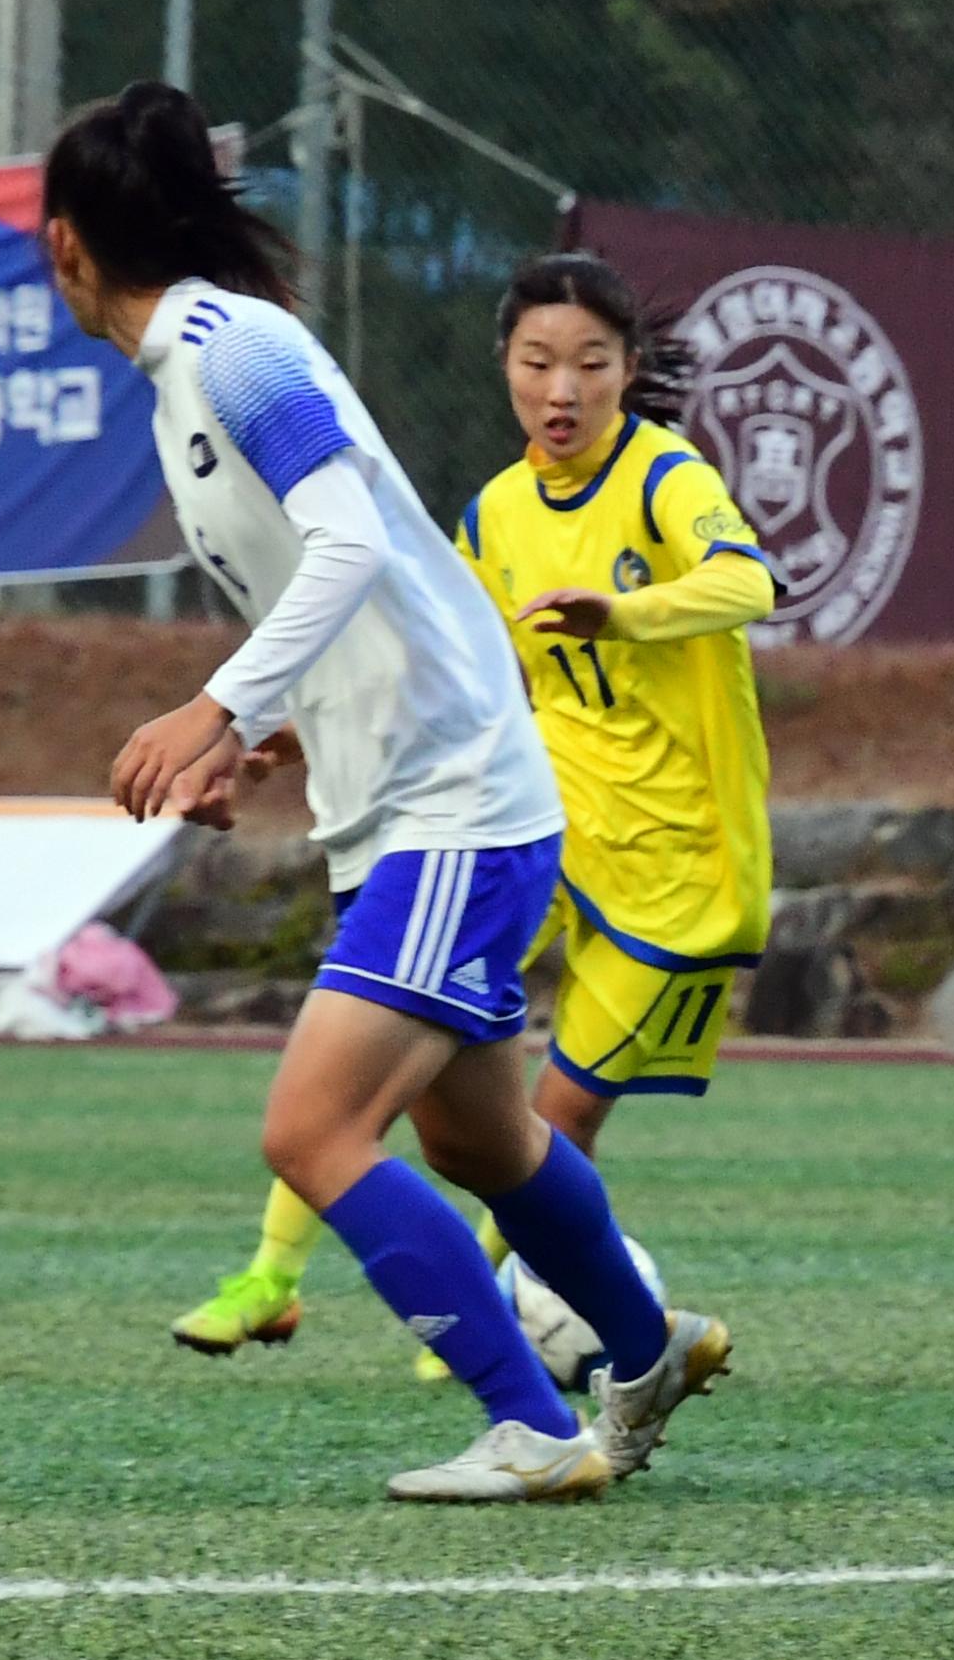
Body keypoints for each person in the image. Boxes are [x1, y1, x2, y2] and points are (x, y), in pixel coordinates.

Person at [45, 81, 727, 1504]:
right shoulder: (202, 369)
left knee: (310, 1132)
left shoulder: (232, 354)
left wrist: (218, 701)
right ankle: (645, 1346)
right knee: (476, 1136)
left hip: (453, 812)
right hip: (424, 801)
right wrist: (269, 727)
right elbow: (354, 590)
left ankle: (535, 1428)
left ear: (64, 247)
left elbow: (348, 539)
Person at [175, 253, 775, 1364]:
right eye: (538, 361)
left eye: (591, 364)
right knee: (393, 1040)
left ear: (627, 370)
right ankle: (272, 1273)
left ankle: (506, 1320)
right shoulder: (495, 512)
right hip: (537, 824)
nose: (562, 389)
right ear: (503, 365)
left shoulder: (663, 476)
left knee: (549, 1115)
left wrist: (626, 612)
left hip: (683, 869)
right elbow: (440, 659)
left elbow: (752, 582)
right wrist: (289, 733)